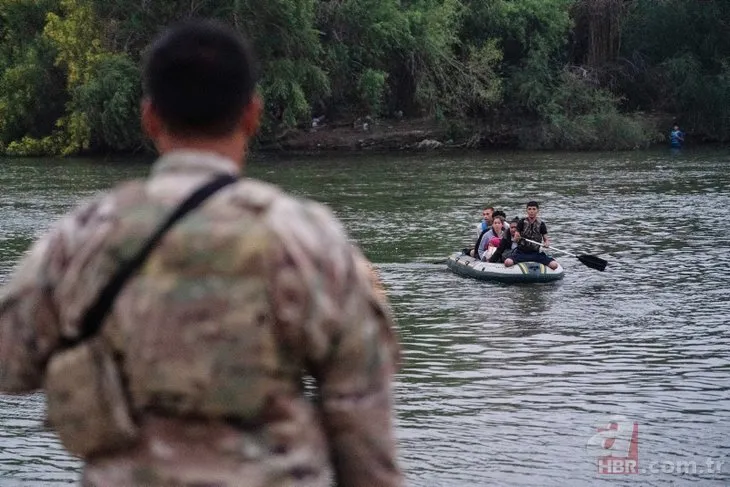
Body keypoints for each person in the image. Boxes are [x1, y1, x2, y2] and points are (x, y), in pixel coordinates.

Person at [0, 20, 403, 487]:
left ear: (149, 117)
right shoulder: (309, 238)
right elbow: (362, 420)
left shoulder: (82, 235)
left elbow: (11, 365)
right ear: (252, 114)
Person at [504, 201, 558, 270]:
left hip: (535, 253)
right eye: (529, 209)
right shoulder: (521, 222)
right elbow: (515, 239)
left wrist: (546, 244)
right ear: (526, 210)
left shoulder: (541, 224)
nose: (531, 211)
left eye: (533, 209)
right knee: (507, 262)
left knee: (554, 265)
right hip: (521, 253)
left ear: (537, 210)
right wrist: (517, 238)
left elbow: (546, 240)